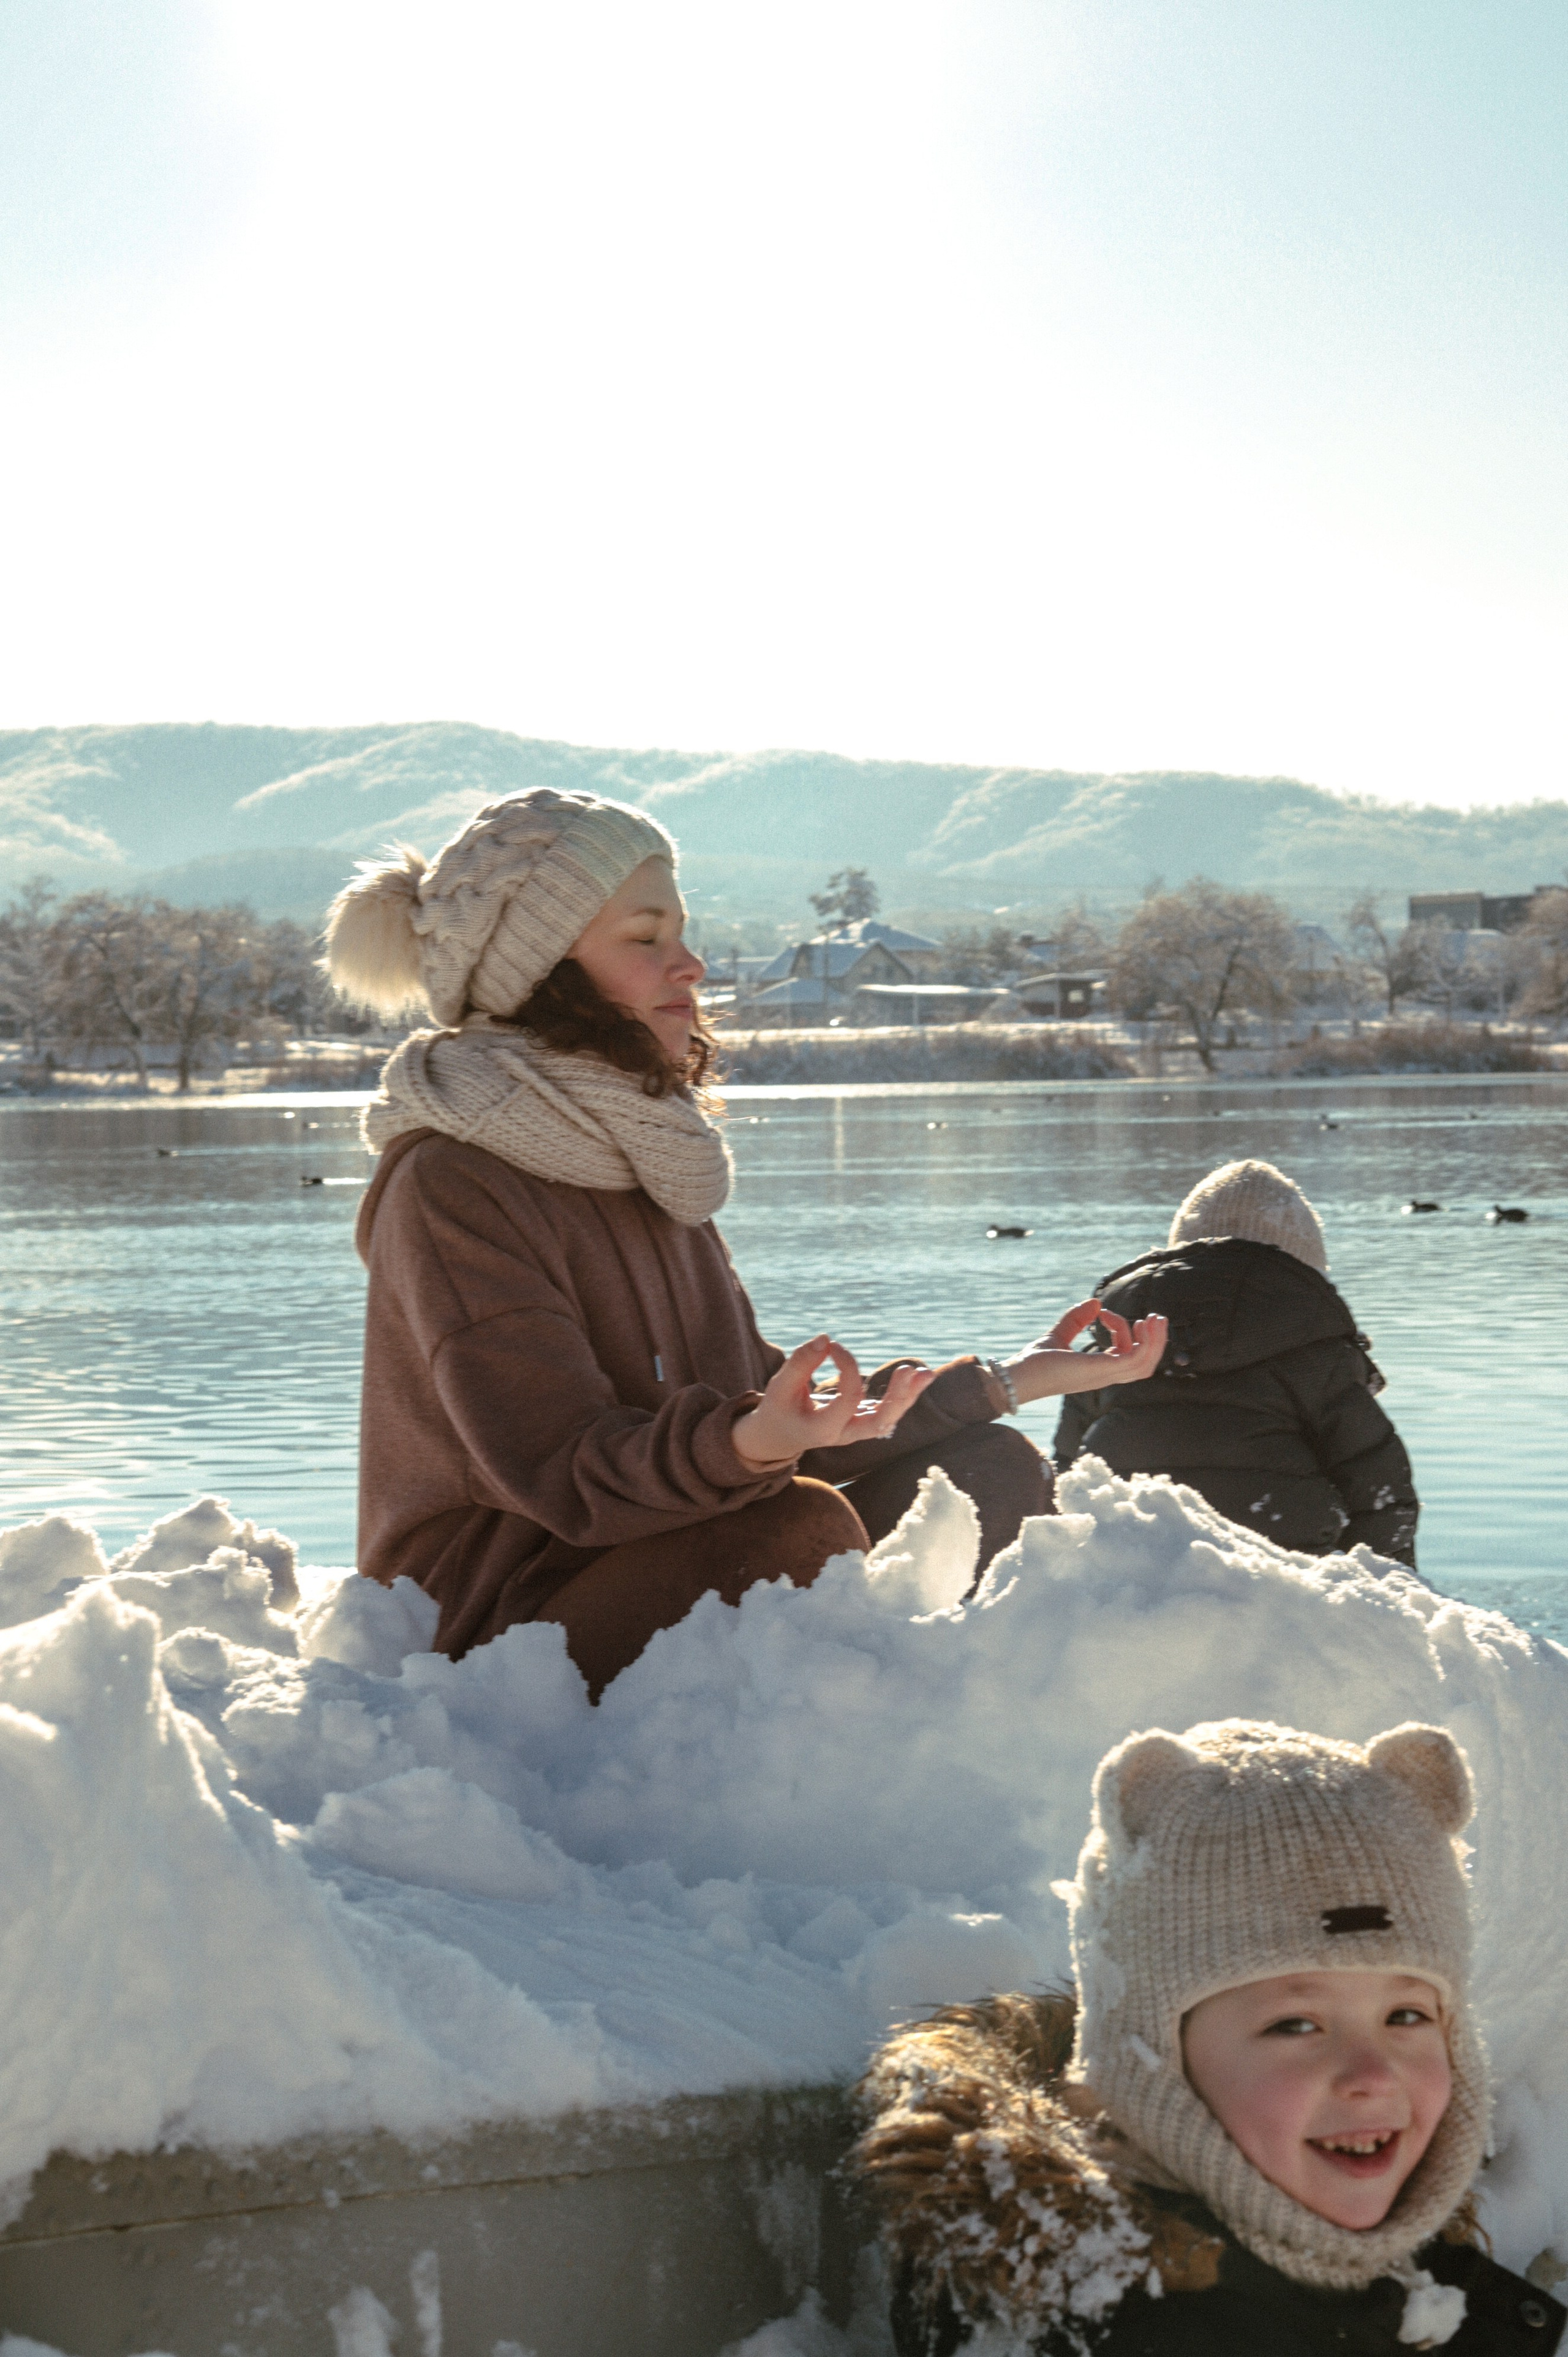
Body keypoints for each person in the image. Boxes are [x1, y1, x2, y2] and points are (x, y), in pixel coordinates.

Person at [325, 787, 1165, 1697]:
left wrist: (1012, 1378)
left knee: (984, 1472)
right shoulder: (454, 1182)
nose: (689, 965)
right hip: (497, 1623)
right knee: (794, 1528)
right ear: (538, 971)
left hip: (673, 1542)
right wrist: (753, 1444)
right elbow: (567, 1472)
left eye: (682, 934)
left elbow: (755, 1415)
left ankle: (945, 1740)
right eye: (645, 938)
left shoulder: (635, 1151)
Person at [854, 1716, 1564, 2355]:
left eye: (1406, 2015)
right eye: (1295, 2024)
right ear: (1152, 2057)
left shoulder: (1386, 2274)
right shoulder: (1115, 2330)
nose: (1371, 2073)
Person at [1052, 1158, 1420, 1566]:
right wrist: (1397, 1592)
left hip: (1125, 1578)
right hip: (1288, 1581)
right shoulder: (1320, 1362)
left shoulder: (1108, 1357)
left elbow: (1064, 1484)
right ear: (1302, 1274)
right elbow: (1381, 1496)